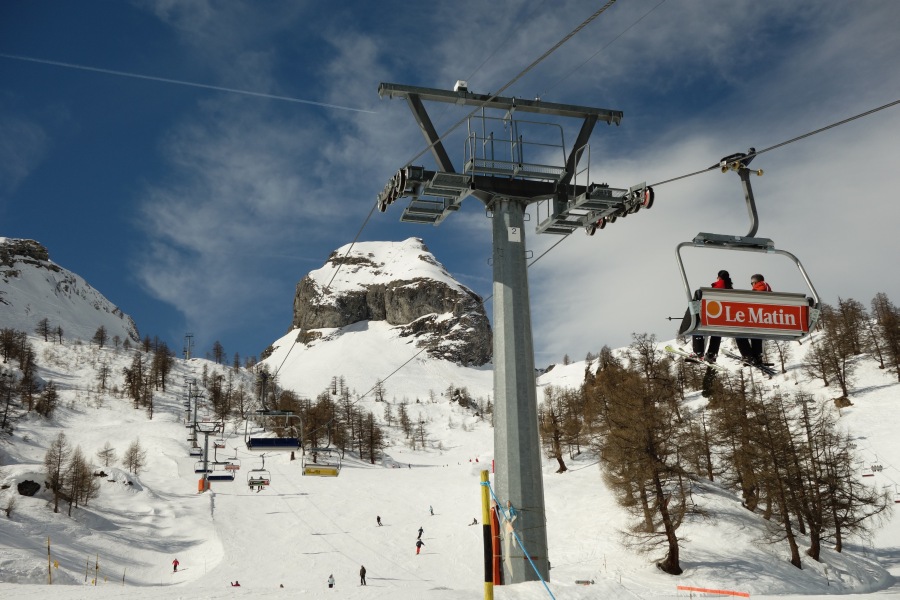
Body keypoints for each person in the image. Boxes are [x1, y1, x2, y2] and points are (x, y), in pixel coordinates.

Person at [685, 270, 733, 362]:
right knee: (718, 330)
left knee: (697, 324)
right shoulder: (730, 289)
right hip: (725, 319)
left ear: (719, 277)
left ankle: (698, 352)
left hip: (710, 316)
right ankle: (712, 353)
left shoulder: (716, 287)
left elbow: (700, 301)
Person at [736, 273, 772, 366]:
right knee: (756, 331)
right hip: (767, 319)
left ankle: (747, 355)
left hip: (757, 318)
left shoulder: (758, 290)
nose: (752, 285)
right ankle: (756, 356)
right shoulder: (767, 289)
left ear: (755, 282)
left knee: (737, 332)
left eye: (752, 283)